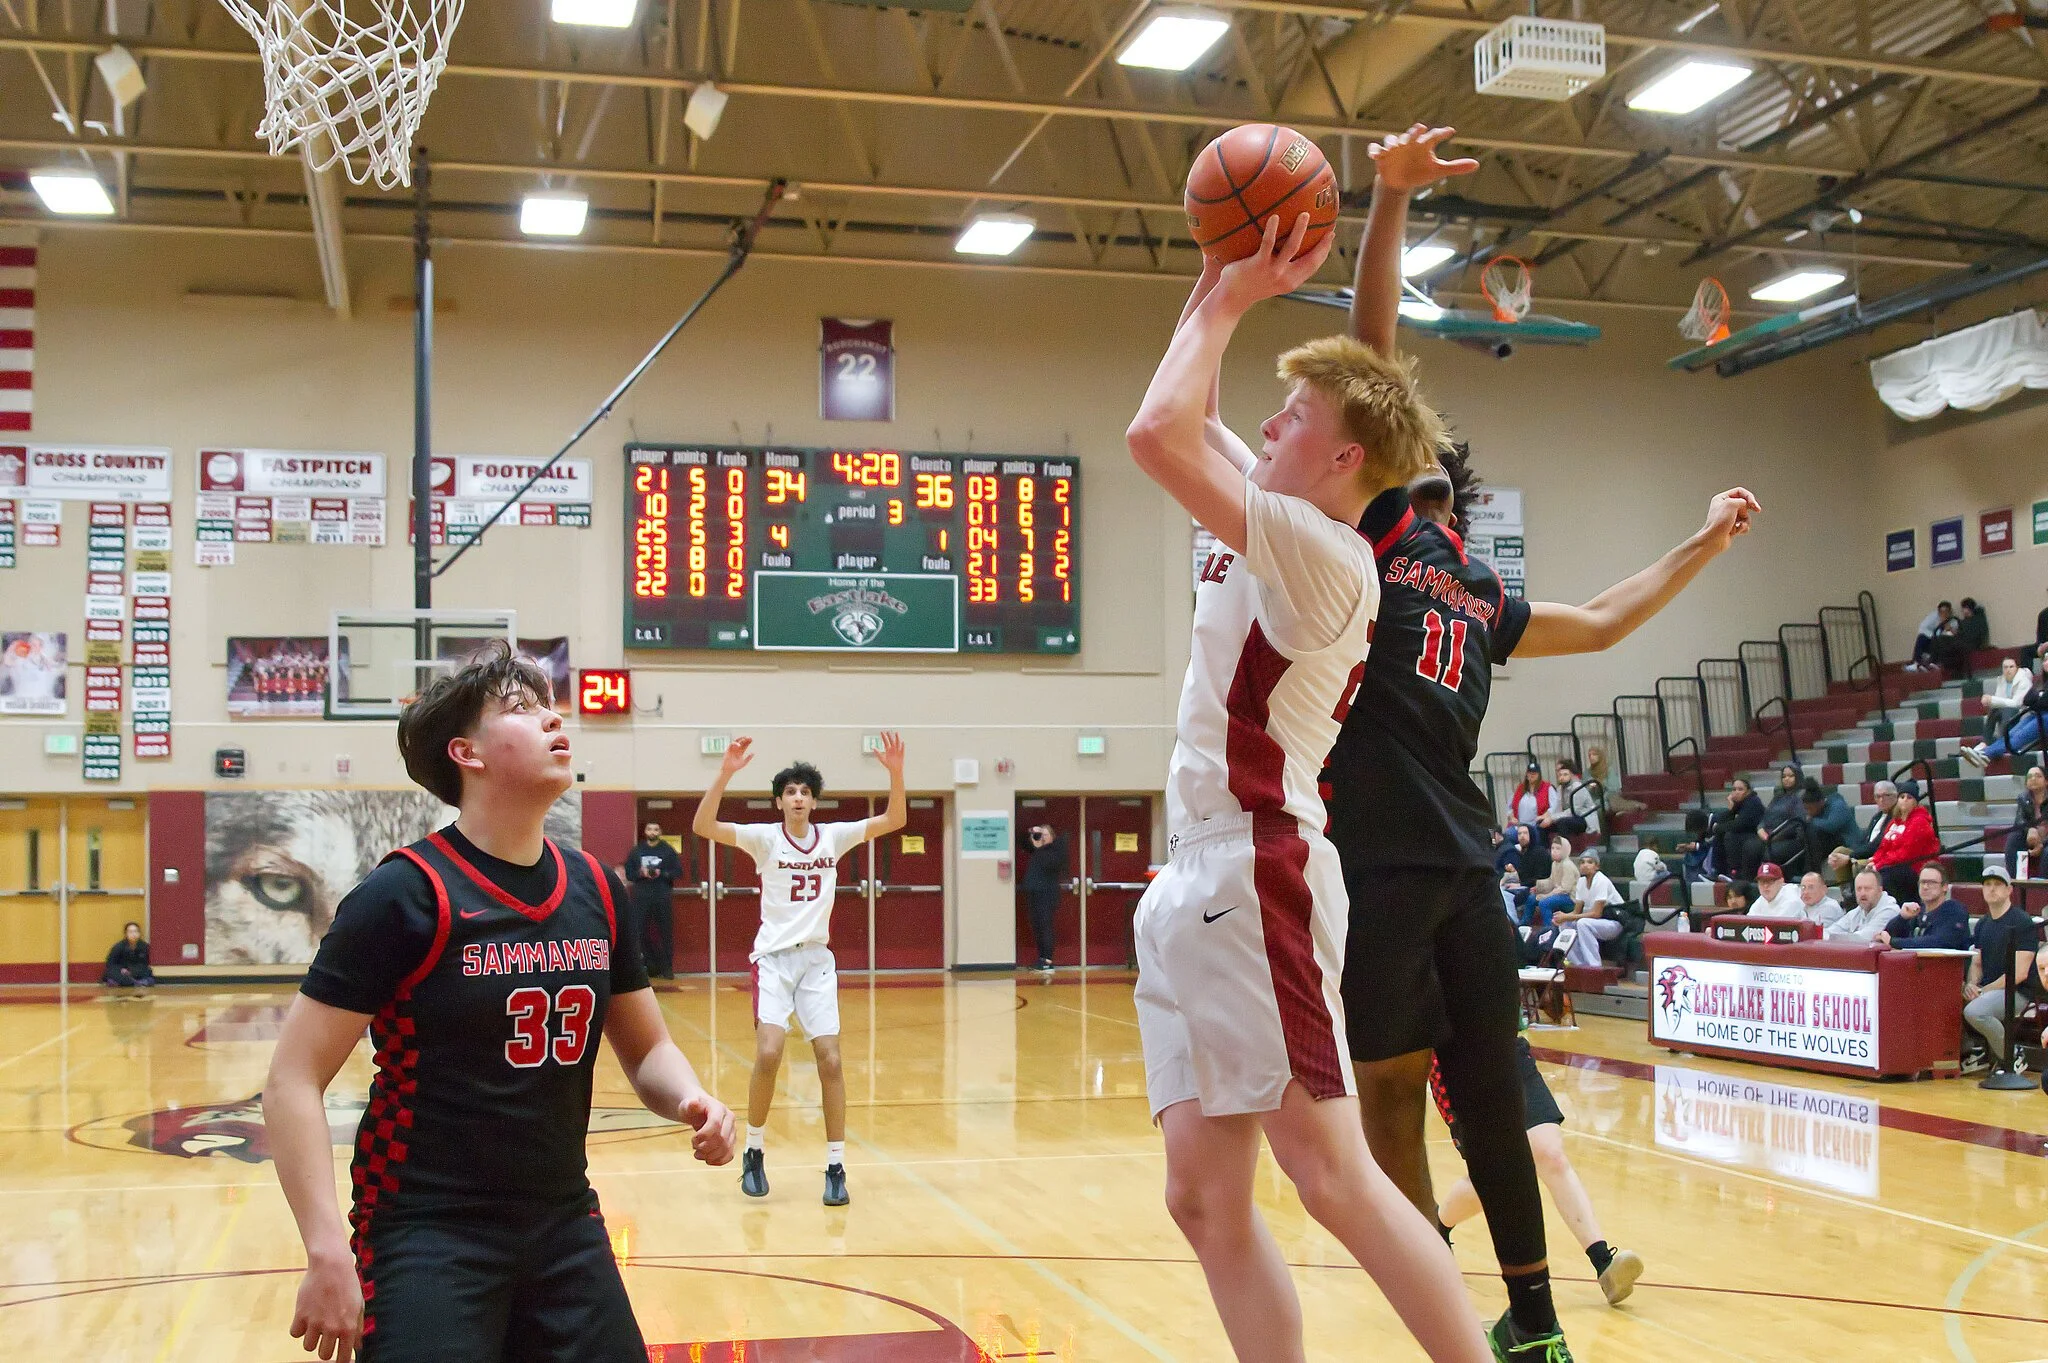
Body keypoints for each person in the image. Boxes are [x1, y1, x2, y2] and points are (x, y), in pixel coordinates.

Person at [1326, 120, 1760, 1363]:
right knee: (1492, 1116)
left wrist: (1388, 201)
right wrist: (1705, 539)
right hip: (1467, 863)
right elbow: (1614, 617)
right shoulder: (1483, 587)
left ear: (1397, 472)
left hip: (1387, 862)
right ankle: (1531, 1324)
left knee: (1392, 1107)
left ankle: (1448, 1317)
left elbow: (1365, 356)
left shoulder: (1390, 542)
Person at [1124, 189, 1490, 1363]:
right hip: (1191, 875)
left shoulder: (1324, 554)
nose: (1265, 430)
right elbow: (1193, 403)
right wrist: (1216, 268)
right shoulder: (1279, 506)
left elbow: (1154, 432)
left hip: (1258, 867)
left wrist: (1233, 291)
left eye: (1289, 422)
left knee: (1329, 1172)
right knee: (1201, 1199)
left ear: (1343, 459)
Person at [263, 642, 736, 1363]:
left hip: (563, 1220)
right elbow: (292, 1079)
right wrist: (327, 1250)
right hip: (426, 1230)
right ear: (467, 752)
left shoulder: (599, 890)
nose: (554, 720)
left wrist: (691, 1099)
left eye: (551, 706)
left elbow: (647, 1051)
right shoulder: (404, 895)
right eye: (521, 709)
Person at [693, 733, 907, 1207]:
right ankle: (754, 1151)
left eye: (805, 792)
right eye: (790, 792)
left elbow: (896, 819)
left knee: (830, 1059)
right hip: (772, 959)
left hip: (816, 961)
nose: (797, 799)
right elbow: (703, 824)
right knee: (769, 1052)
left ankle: (835, 1165)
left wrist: (894, 772)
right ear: (779, 801)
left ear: (813, 801)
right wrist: (726, 772)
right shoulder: (764, 838)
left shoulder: (833, 836)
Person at [1430, 1036, 1646, 1307]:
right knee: (1497, 1175)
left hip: (1505, 1048)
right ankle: (1438, 1228)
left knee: (1550, 1154)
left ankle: (1604, 1264)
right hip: (1453, 1066)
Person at [1962, 865, 2042, 1070]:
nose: (1992, 889)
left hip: (2018, 992)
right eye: (1987, 884)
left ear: (2009, 890)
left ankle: (2012, 1054)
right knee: (1946, 1000)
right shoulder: (1982, 924)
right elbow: (1977, 962)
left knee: (1975, 1011)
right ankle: (1976, 1052)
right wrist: (1972, 984)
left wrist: (1983, 991)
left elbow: (2019, 973)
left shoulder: (2021, 922)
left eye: (1998, 884)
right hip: (1988, 989)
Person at [625, 821, 684, 979]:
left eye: (656, 829)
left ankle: (667, 968)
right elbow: (629, 873)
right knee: (638, 932)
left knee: (665, 932)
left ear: (660, 831)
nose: (652, 832)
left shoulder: (668, 850)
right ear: (645, 831)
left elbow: (678, 872)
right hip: (641, 897)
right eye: (650, 829)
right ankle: (649, 965)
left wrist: (662, 873)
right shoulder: (637, 851)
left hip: (662, 896)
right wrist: (641, 873)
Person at [1871, 780, 1940, 905]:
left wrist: (1880, 865)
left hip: (1916, 867)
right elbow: (1883, 847)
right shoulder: (1894, 821)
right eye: (1902, 797)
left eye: (1909, 797)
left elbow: (1906, 853)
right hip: (1896, 865)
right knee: (1866, 874)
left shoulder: (1920, 821)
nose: (1905, 800)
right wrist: (1874, 861)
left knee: (1885, 875)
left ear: (1915, 802)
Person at [1876, 864, 1971, 950]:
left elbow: (1939, 942)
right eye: (1922, 882)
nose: (1925, 887)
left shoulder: (1954, 910)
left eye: (1931, 882)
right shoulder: (1918, 912)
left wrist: (1894, 942)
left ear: (1945, 887)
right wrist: (1902, 918)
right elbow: (1885, 935)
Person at [1963, 681, 2048, 768]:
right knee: (2009, 734)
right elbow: (2027, 700)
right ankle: (1983, 752)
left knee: (2019, 737)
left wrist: (2039, 697)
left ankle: (1985, 754)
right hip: (2038, 713)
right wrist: (2038, 698)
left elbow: (2041, 701)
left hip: (2045, 717)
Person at [1021, 823, 1070, 972]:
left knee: (1045, 925)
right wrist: (1030, 832)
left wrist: (1040, 848)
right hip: (1035, 893)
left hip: (1047, 895)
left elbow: (1050, 865)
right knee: (1037, 926)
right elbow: (1022, 841)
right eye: (1041, 834)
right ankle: (1041, 957)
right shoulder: (1038, 850)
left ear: (1052, 837)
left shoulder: (1055, 851)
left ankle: (1048, 959)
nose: (1042, 837)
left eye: (1045, 834)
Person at [1828, 779, 1897, 884]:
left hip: (1879, 854)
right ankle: (1846, 889)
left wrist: (1850, 857)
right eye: (1878, 796)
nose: (1881, 800)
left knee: (1859, 863)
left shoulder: (1895, 817)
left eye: (1886, 796)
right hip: (1867, 850)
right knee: (1839, 852)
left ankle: (1857, 891)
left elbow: (1877, 844)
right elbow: (1864, 840)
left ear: (1895, 796)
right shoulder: (1877, 816)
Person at [1709, 779, 1767, 882]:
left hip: (1756, 835)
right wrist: (1731, 808)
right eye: (1734, 789)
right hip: (1745, 833)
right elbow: (1723, 820)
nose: (1736, 792)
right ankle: (1718, 872)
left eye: (1740, 789)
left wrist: (1717, 828)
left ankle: (1735, 873)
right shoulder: (1740, 803)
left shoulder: (1753, 802)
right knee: (1720, 836)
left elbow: (1739, 824)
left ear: (1748, 791)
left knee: (1730, 836)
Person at [1800, 780, 1855, 882]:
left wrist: (1811, 820)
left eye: (1809, 809)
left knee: (1814, 833)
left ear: (1820, 803)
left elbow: (1832, 825)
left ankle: (1813, 874)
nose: (1808, 812)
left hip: (1847, 842)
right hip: (1829, 842)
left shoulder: (1838, 805)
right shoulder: (1818, 813)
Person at [1824, 869, 1900, 943]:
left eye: (1867, 889)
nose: (1862, 893)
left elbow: (1864, 938)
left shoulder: (1890, 910)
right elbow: (1833, 930)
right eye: (1859, 889)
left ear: (1880, 890)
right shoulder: (1859, 910)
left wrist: (1833, 937)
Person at [1538, 759, 1601, 842]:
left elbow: (1574, 811)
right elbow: (1558, 809)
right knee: (1541, 824)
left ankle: (1565, 850)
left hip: (1584, 818)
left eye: (1565, 774)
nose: (1562, 777)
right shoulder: (1560, 788)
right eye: (1560, 775)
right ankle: (1544, 850)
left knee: (1562, 823)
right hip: (1569, 817)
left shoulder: (1577, 787)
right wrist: (1548, 818)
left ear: (1571, 775)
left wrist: (1552, 818)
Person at [1757, 766, 1807, 870]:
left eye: (1790, 776)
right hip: (1768, 837)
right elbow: (1765, 817)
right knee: (1750, 847)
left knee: (1770, 852)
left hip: (1789, 838)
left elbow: (1796, 823)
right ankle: (1747, 880)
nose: (1786, 779)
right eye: (1784, 776)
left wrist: (1774, 837)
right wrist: (1760, 829)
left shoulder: (1801, 795)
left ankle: (1773, 880)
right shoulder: (1778, 797)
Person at [1927, 597, 1989, 678]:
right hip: (1964, 643)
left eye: (1964, 608)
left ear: (1967, 609)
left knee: (1942, 639)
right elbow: (1961, 633)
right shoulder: (1968, 621)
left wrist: (1952, 631)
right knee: (1940, 639)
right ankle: (1935, 662)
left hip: (1970, 644)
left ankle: (1934, 662)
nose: (1963, 611)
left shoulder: (1975, 621)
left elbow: (1966, 634)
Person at [2003, 764, 2046, 878]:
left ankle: (2043, 887)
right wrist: (2030, 829)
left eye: (2038, 776)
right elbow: (2020, 820)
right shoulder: (2023, 797)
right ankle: (2014, 879)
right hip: (2032, 837)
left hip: (2046, 838)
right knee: (2014, 837)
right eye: (2030, 776)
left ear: (2046, 781)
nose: (2033, 779)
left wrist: (2042, 843)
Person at [1983, 657, 2034, 747]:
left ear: (2017, 668)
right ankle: (1985, 742)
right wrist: (1989, 701)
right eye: (2005, 667)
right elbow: (1999, 701)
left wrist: (1992, 700)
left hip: (2023, 712)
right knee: (1994, 710)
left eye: (2011, 667)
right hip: (2007, 713)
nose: (2008, 670)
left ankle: (2003, 743)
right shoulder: (2001, 680)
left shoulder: (2024, 681)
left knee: (2008, 709)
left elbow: (2017, 703)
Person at [101, 921, 155, 989]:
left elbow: (145, 963)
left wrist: (134, 970)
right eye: (130, 932)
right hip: (122, 971)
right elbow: (110, 964)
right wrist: (121, 969)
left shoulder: (144, 946)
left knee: (148, 972)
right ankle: (135, 983)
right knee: (111, 973)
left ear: (139, 933)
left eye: (136, 931)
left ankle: (132, 982)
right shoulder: (118, 947)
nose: (134, 934)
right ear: (126, 934)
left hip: (136, 971)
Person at [1509, 761, 1555, 828]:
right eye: (1529, 773)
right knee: (1509, 834)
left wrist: (1544, 816)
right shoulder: (1520, 788)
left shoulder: (1548, 787)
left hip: (1537, 825)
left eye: (1534, 773)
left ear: (1539, 775)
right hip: (1518, 825)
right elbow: (1510, 807)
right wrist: (1511, 817)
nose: (1532, 775)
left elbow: (1554, 807)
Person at [1910, 601, 1953, 669]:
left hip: (1943, 642)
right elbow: (1922, 628)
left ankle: (1935, 663)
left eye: (1946, 611)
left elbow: (1952, 636)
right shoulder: (1932, 617)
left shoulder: (1953, 621)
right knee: (1921, 638)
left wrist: (1947, 629)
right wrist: (1933, 636)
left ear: (1949, 612)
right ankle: (1916, 663)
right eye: (1941, 611)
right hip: (1932, 639)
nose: (1944, 614)